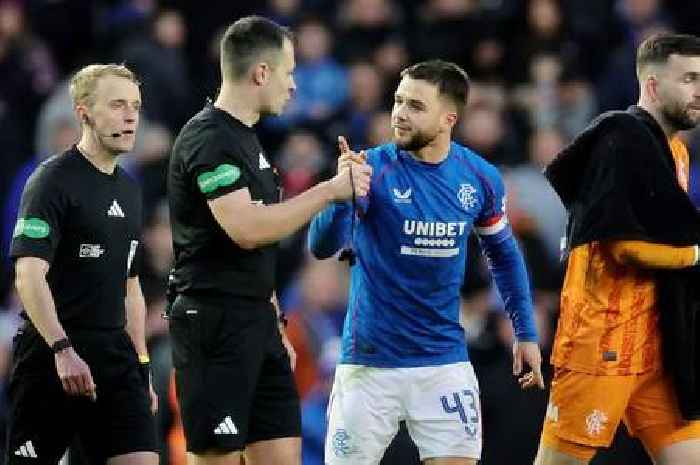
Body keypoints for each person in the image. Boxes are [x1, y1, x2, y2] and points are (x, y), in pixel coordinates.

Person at [308, 59, 544, 465]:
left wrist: (525, 332)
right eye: (398, 101)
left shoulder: (479, 177)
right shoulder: (372, 168)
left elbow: (504, 254)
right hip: (368, 365)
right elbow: (320, 245)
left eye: (415, 106)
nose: (399, 113)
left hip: (443, 363)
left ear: (448, 117)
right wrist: (339, 195)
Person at [166, 15, 370, 465]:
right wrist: (330, 190)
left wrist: (273, 314)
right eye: (289, 71)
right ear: (261, 72)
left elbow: (257, 244)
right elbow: (247, 229)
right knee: (218, 457)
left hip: (257, 322)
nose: (294, 85)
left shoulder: (248, 141)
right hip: (214, 324)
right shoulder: (209, 138)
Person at [535, 33, 700, 465]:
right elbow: (625, 246)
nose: (699, 91)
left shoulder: (677, 152)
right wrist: (697, 257)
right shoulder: (620, 137)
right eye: (689, 79)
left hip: (658, 347)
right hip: (601, 344)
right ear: (652, 85)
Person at [6, 64, 158, 464]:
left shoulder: (130, 189)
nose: (130, 116)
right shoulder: (51, 180)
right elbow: (28, 273)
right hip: (53, 356)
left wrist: (141, 365)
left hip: (115, 359)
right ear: (84, 112)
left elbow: (130, 285)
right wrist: (62, 349)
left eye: (136, 107)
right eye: (117, 105)